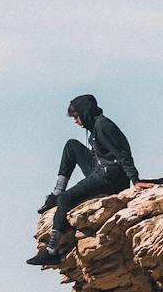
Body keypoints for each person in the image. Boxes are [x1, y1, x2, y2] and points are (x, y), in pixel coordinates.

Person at [28, 94, 138, 266]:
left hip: (109, 178)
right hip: (100, 167)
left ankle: (51, 251)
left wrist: (135, 181)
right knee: (71, 145)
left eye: (76, 116)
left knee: (65, 200)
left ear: (85, 113)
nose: (75, 121)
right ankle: (56, 193)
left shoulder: (103, 126)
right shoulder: (94, 125)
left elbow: (123, 154)